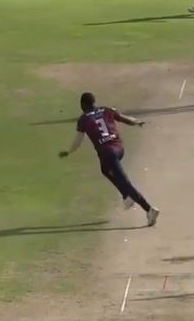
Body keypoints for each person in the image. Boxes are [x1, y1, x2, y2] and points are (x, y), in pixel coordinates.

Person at [58, 92, 160, 226]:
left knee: (125, 183)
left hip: (107, 153)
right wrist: (137, 121)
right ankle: (126, 196)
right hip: (119, 148)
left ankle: (149, 209)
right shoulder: (106, 110)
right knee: (105, 169)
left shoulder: (83, 119)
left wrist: (68, 151)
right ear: (94, 102)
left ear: (82, 105)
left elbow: (78, 141)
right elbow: (126, 119)